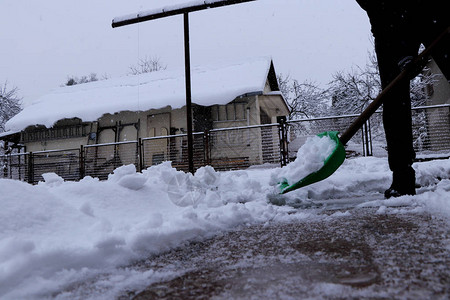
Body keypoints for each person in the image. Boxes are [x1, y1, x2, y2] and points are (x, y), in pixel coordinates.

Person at [355, 0, 450, 198]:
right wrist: (395, 49)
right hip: (389, 19)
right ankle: (402, 176)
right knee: (394, 97)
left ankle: (402, 176)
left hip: (436, 9)